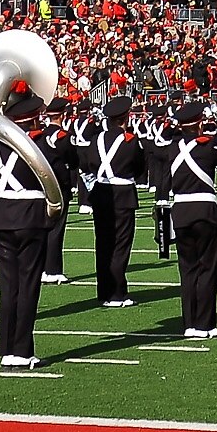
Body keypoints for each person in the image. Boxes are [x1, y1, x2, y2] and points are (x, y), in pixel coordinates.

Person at [0, 84, 64, 370]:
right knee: (28, 286)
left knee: (8, 287)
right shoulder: (39, 145)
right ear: (32, 118)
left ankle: (7, 347)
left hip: (3, 216)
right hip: (31, 217)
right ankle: (21, 350)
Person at [163, 99, 217, 338]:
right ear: (199, 124)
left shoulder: (172, 147)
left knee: (187, 269)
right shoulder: (207, 145)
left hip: (180, 212)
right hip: (204, 211)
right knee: (207, 268)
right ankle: (206, 324)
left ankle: (189, 323)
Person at [82, 93, 146, 309]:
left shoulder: (96, 139)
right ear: (126, 118)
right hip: (122, 194)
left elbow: (89, 163)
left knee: (103, 243)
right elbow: (139, 167)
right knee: (120, 244)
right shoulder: (130, 140)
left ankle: (104, 291)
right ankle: (118, 292)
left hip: (101, 193)